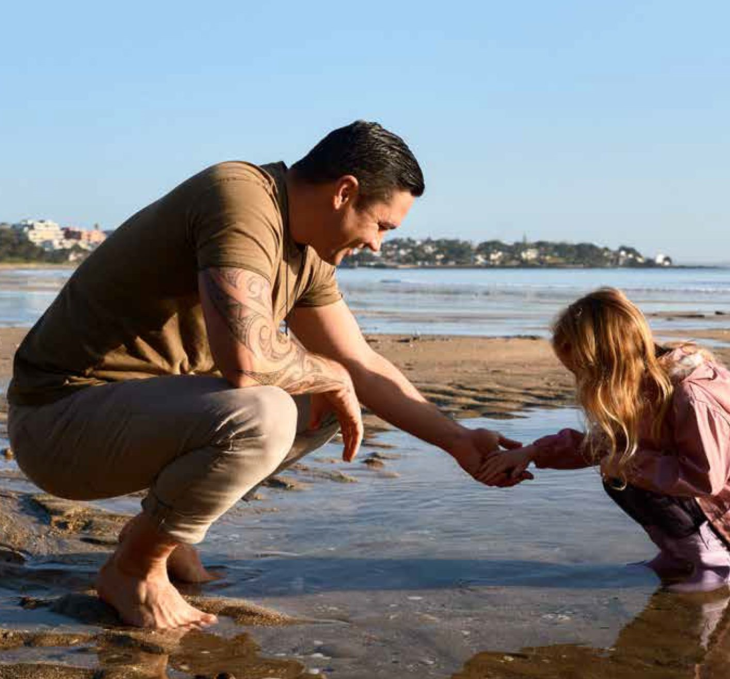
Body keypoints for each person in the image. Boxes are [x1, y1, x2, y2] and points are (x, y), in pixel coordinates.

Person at [7, 121, 521, 630]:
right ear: (346, 192)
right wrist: (329, 374)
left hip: (129, 418)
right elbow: (247, 360)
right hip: (57, 424)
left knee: (322, 408)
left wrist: (457, 440)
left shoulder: (309, 253)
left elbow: (361, 364)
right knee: (269, 409)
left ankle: (162, 537)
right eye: (381, 226)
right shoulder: (240, 199)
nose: (377, 246)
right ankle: (134, 571)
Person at [479, 287, 730, 593]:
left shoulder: (691, 395)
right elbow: (595, 446)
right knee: (615, 466)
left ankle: (714, 562)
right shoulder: (640, 387)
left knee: (621, 467)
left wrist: (626, 463)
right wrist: (531, 452)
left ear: (612, 362)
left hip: (722, 508)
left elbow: (705, 477)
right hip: (705, 504)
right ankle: (680, 556)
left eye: (586, 374)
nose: (583, 384)